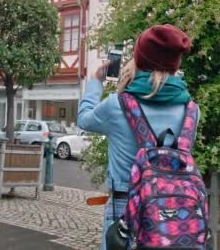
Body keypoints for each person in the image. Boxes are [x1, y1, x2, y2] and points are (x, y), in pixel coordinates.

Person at [77, 24, 195, 249]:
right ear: (175, 65)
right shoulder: (191, 109)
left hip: (125, 212)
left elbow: (84, 119)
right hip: (175, 215)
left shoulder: (117, 105)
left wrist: (95, 81)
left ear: (139, 60)